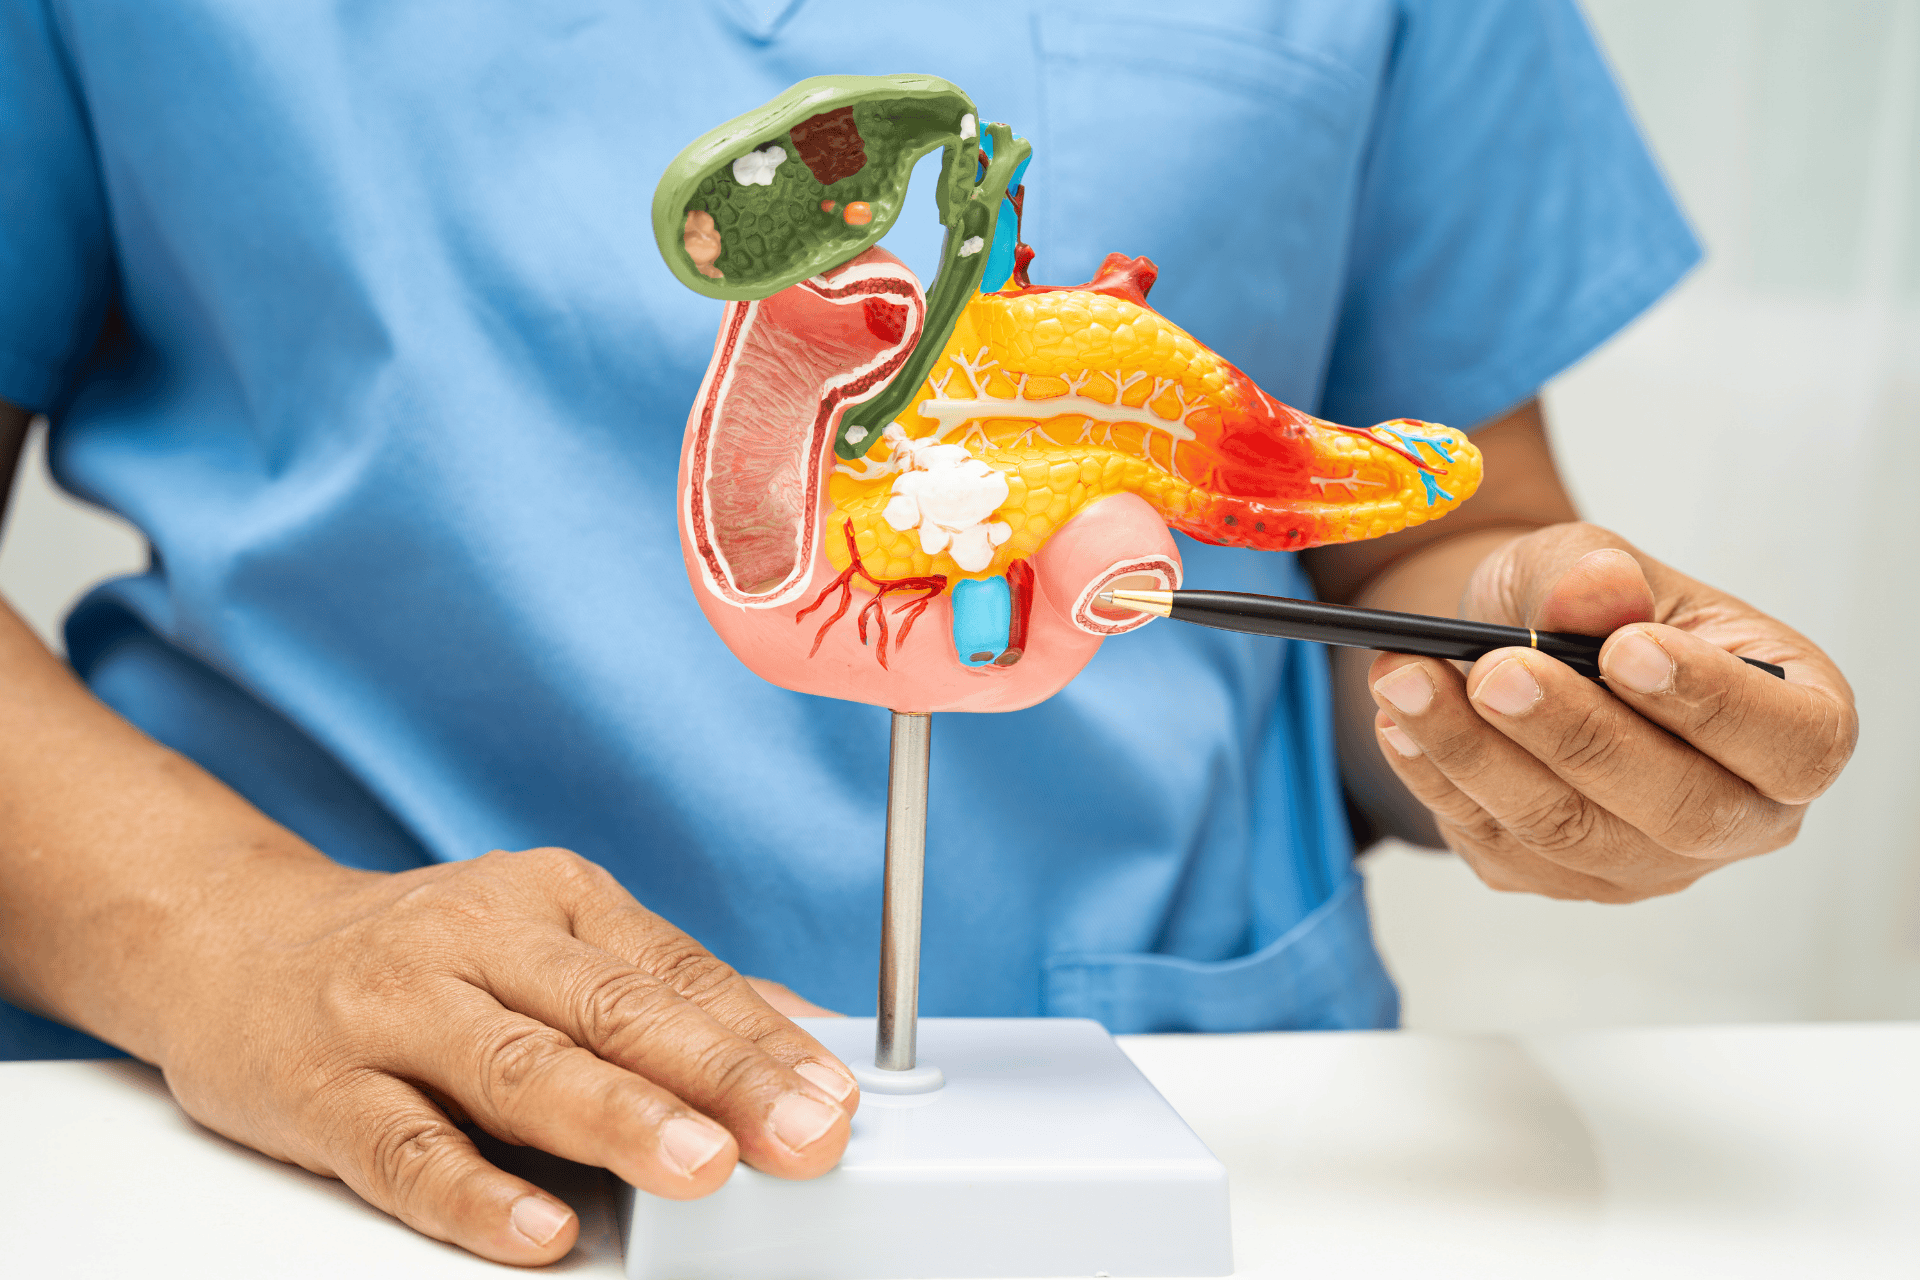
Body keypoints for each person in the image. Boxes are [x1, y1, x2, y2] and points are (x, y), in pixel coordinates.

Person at [0, 0, 1855, 1266]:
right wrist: (227, 934)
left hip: (1219, 1148)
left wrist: (1530, 695)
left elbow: (1436, 546)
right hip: (312, 1184)